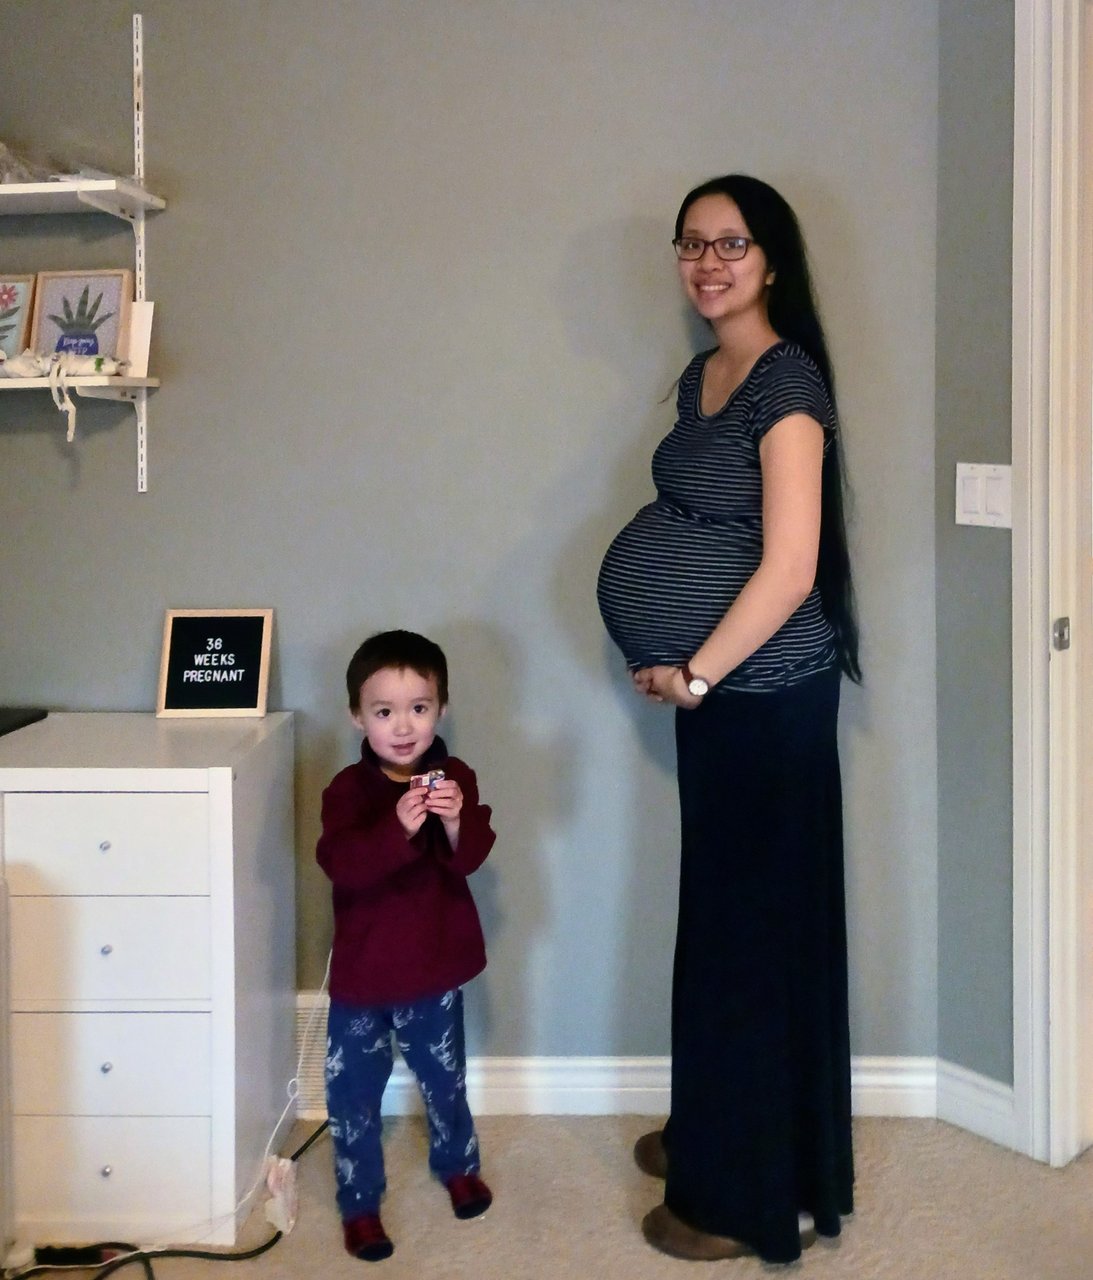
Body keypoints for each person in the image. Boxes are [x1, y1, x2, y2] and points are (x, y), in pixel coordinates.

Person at [596, 174, 860, 1264]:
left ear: (772, 260)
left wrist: (696, 673)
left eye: (732, 243)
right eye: (692, 243)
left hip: (759, 697)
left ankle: (738, 1196)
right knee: (721, 922)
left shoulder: (786, 382)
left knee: (745, 938)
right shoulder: (706, 370)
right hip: (716, 699)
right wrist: (681, 668)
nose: (708, 262)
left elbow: (791, 566)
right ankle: (720, 1123)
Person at [316, 629, 496, 1262]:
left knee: (445, 1079)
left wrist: (455, 819)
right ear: (357, 716)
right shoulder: (347, 790)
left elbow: (469, 858)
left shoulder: (455, 778)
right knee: (352, 1094)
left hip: (432, 968)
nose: (402, 726)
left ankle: (458, 1165)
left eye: (418, 708)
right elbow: (342, 865)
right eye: (383, 711)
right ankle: (359, 1200)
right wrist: (396, 826)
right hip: (363, 977)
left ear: (441, 708)